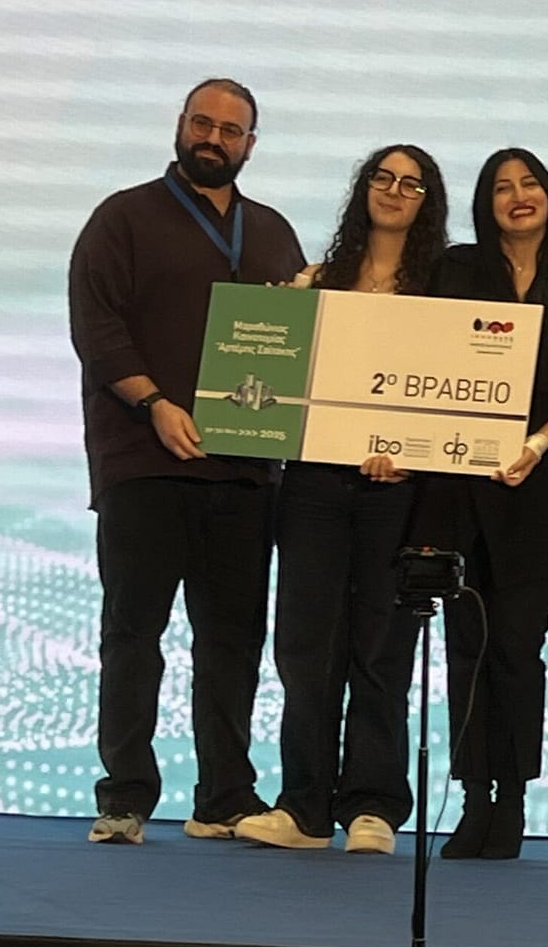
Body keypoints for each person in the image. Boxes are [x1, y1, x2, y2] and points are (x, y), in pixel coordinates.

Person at [67, 77, 306, 844]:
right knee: (133, 634)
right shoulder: (123, 217)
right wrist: (154, 404)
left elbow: (303, 345)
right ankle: (125, 796)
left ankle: (225, 796)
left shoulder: (273, 232)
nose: (214, 138)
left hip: (243, 472)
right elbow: (97, 327)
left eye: (231, 130)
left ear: (250, 145)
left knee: (234, 642)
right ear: (180, 125)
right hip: (144, 460)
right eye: (203, 123)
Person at [236, 146, 450, 855]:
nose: (394, 191)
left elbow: (450, 399)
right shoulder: (315, 284)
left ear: (428, 201)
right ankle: (304, 807)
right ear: (364, 190)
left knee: (382, 649)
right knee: (305, 649)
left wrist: (413, 450)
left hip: (396, 493)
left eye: (411, 184)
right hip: (313, 489)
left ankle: (373, 806)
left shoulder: (442, 292)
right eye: (382, 178)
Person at [418, 149, 548, 859]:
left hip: (545, 484)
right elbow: (421, 365)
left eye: (529, 183)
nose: (517, 196)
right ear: (486, 204)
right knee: (466, 644)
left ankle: (511, 800)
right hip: (459, 484)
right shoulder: (456, 271)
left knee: (515, 645)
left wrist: (538, 441)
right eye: (501, 188)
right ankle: (473, 798)